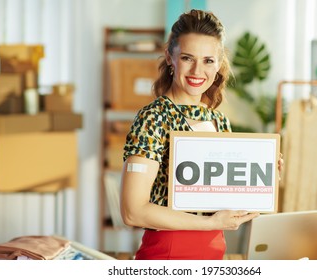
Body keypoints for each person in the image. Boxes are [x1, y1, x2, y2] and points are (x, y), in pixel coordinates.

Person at [120, 9, 282, 260]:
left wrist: (264, 178)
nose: (197, 70)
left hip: (213, 251)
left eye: (208, 60)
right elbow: (133, 211)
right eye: (187, 58)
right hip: (169, 254)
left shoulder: (218, 121)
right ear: (170, 58)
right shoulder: (154, 118)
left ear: (219, 64)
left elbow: (225, 204)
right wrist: (211, 223)